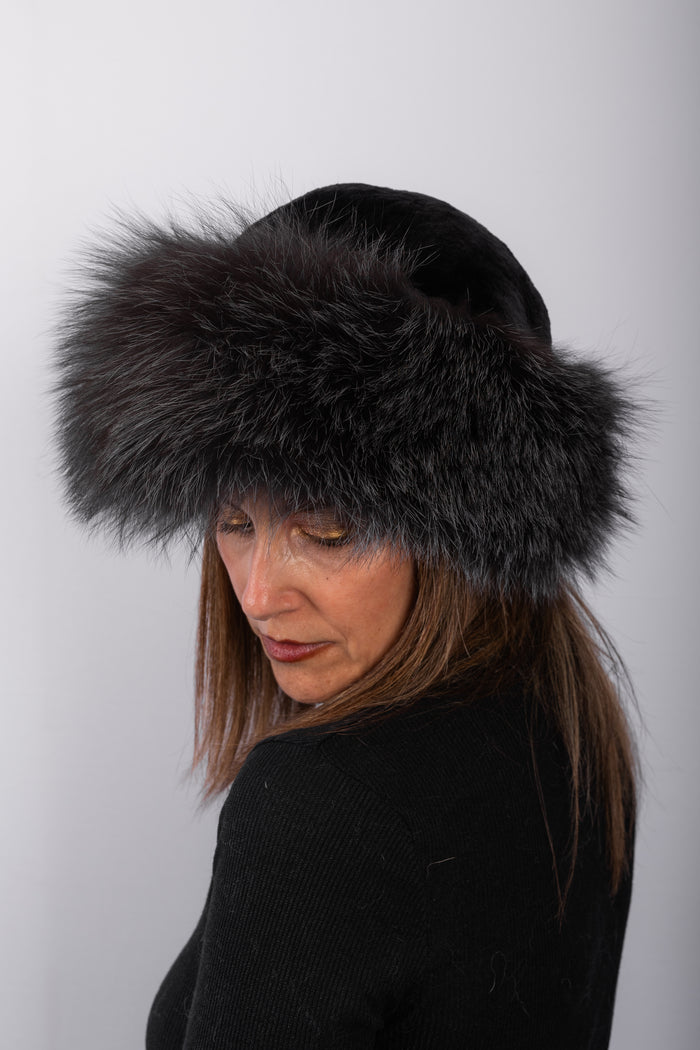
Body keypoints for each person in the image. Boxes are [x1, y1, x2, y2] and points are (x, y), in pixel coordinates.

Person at [54, 183, 638, 1048]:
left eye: (327, 531)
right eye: (234, 522)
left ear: (460, 530)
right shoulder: (573, 736)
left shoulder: (326, 802)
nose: (258, 595)